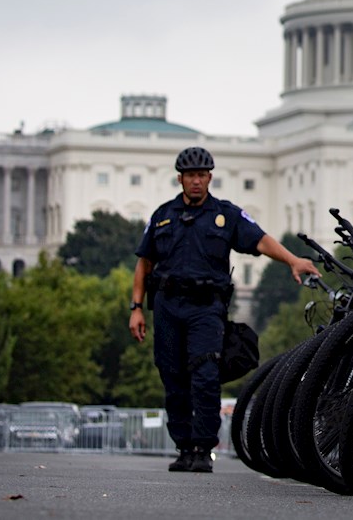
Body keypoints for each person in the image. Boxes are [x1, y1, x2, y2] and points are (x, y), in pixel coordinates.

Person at [129, 146, 319, 474]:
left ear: (210, 178)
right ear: (180, 179)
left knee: (204, 375)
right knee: (172, 376)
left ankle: (203, 447)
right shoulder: (162, 215)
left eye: (202, 175)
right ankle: (184, 446)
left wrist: (293, 260)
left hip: (206, 307)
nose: (196, 182)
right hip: (167, 306)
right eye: (190, 176)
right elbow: (144, 264)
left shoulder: (226, 214)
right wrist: (135, 308)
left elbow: (260, 240)